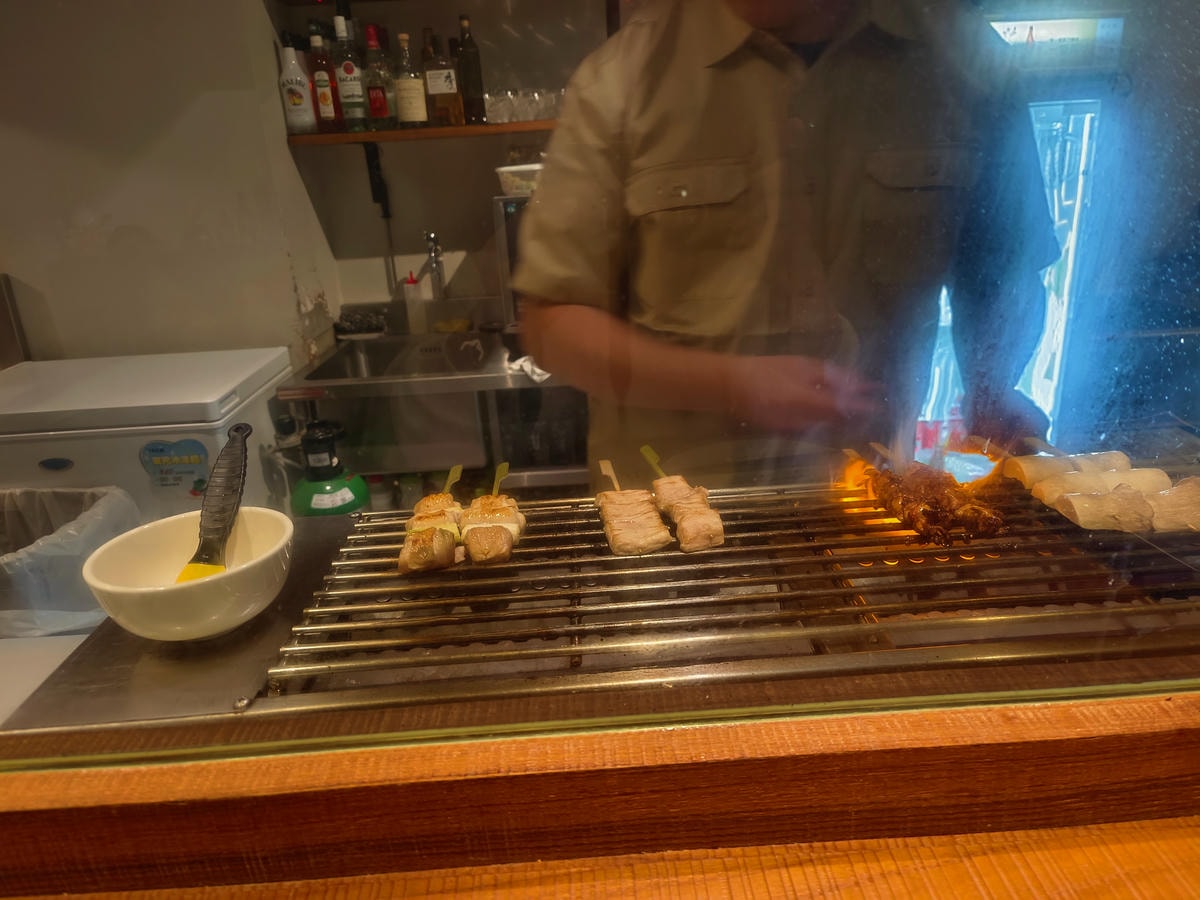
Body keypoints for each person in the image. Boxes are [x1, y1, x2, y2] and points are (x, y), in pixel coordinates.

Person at [513, 0, 1060, 489]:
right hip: (672, 529)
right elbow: (552, 324)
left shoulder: (967, 66)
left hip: (873, 505)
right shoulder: (620, 81)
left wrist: (991, 386)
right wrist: (732, 386)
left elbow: (1004, 275)